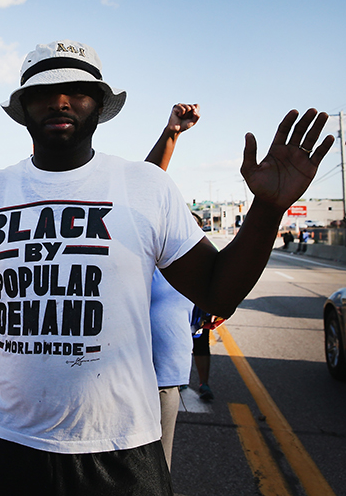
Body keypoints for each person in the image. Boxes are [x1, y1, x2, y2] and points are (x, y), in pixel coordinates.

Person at [0, 40, 333, 494]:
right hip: (7, 447)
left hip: (121, 449)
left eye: (76, 90)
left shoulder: (146, 186)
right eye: (43, 92)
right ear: (22, 110)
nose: (60, 101)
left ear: (99, 106)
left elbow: (218, 294)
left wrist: (267, 211)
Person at [143, 103, 202, 469]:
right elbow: (146, 186)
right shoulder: (142, 257)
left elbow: (215, 300)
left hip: (165, 377)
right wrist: (171, 133)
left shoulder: (195, 270)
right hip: (122, 373)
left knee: (158, 465)